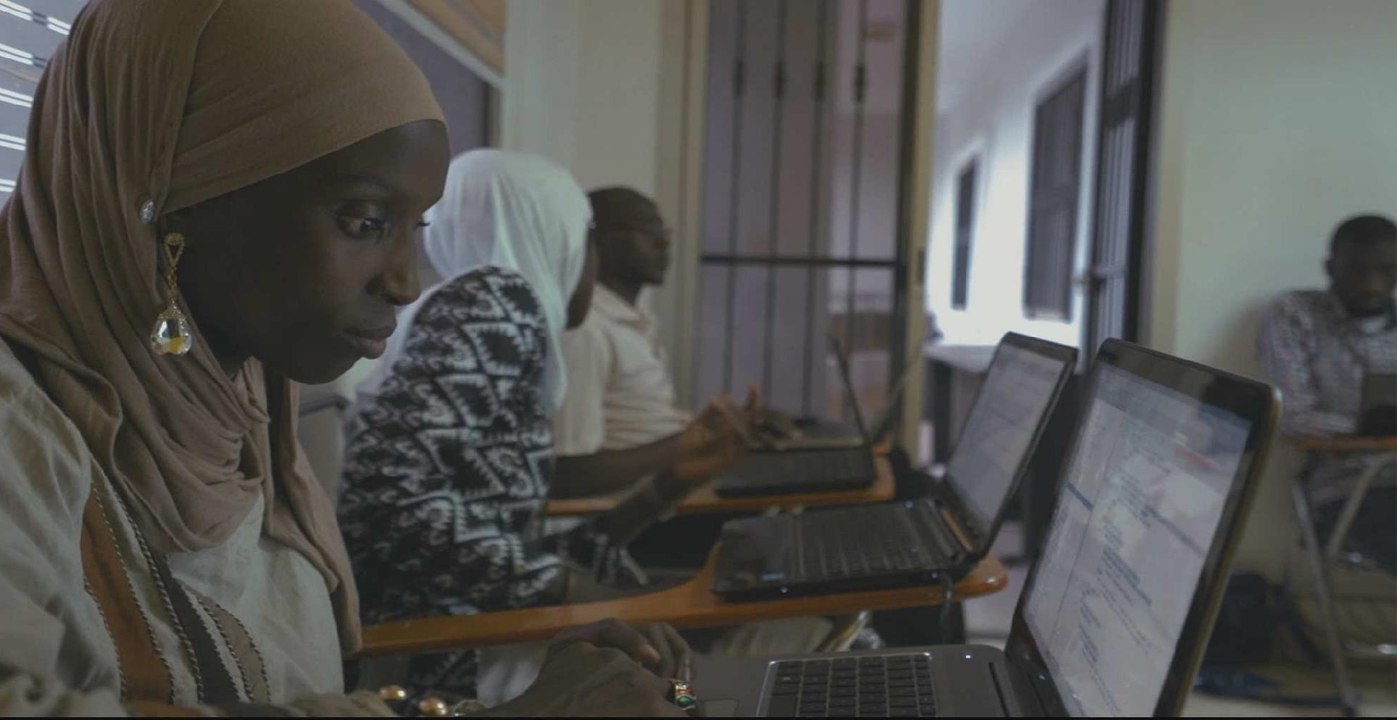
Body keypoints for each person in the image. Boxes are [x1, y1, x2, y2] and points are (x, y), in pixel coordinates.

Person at [0, 2, 693, 716]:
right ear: (170, 205)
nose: (406, 282)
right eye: (363, 222)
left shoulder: (244, 397)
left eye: (413, 227)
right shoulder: (22, 430)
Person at [337, 151, 747, 705]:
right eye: (587, 241)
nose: (591, 265)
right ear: (550, 234)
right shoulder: (495, 301)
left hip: (487, 634)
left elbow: (508, 552)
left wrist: (663, 489)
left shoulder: (475, 311)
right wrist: (601, 597)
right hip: (453, 664)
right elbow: (390, 504)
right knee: (759, 668)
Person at [552, 187, 792, 499]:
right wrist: (689, 443)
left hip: (670, 493)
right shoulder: (585, 330)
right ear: (599, 240)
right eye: (649, 232)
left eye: (665, 232)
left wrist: (724, 432)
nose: (664, 243)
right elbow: (568, 474)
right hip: (632, 520)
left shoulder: (632, 320)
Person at [1257, 214, 1397, 574]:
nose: (1371, 285)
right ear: (1330, 267)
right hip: (1348, 492)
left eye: (1386, 271)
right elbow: (1292, 417)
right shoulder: (1295, 314)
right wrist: (1370, 427)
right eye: (1357, 270)